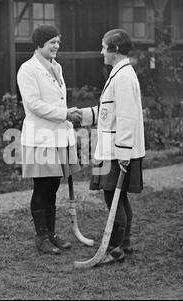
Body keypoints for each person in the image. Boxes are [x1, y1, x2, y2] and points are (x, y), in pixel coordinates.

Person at [79, 29, 145, 264]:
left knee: (113, 197)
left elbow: (126, 117)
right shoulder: (119, 74)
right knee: (119, 198)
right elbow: (109, 113)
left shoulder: (124, 77)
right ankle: (123, 244)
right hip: (113, 148)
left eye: (104, 46)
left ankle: (115, 248)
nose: (101, 51)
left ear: (114, 50)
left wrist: (124, 152)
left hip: (118, 151)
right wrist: (83, 115)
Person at [17, 25, 82, 255]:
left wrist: (67, 112)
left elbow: (57, 101)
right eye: (52, 42)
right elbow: (33, 104)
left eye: (58, 41)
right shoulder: (28, 69)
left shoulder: (57, 67)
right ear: (39, 44)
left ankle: (51, 233)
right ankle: (41, 237)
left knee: (53, 185)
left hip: (57, 135)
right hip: (40, 136)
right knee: (42, 187)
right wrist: (64, 114)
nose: (56, 46)